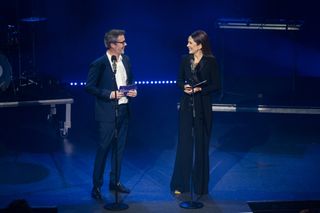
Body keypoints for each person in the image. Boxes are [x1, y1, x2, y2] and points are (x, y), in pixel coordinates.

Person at [85, 29, 137, 200]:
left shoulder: (126, 60)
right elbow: (90, 87)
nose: (125, 44)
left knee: (119, 149)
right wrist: (109, 94)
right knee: (103, 149)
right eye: (122, 42)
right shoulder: (99, 63)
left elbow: (130, 81)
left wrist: (132, 90)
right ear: (112, 45)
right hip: (107, 113)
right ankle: (96, 187)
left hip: (124, 110)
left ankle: (115, 181)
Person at [170, 30, 220, 195]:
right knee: (184, 144)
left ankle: (199, 186)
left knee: (201, 145)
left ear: (200, 45)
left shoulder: (211, 61)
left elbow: (216, 86)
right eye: (188, 42)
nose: (187, 45)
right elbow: (178, 80)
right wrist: (183, 86)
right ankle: (180, 184)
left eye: (191, 43)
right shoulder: (185, 59)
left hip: (203, 107)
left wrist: (200, 89)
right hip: (187, 106)